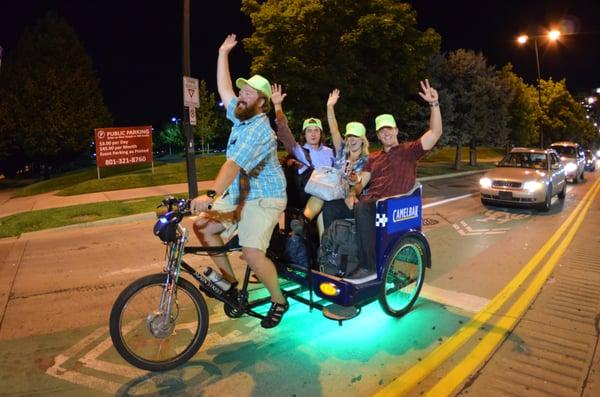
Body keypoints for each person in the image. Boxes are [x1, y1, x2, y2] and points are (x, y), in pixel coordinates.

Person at [190, 34, 288, 328]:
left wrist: (209, 195)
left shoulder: (261, 130)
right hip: (241, 195)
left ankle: (279, 300)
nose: (240, 95)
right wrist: (222, 53)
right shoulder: (241, 118)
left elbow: (232, 166)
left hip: (264, 198)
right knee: (203, 226)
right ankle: (230, 283)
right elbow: (223, 88)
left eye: (247, 92)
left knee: (251, 253)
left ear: (261, 102)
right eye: (241, 90)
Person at [322, 79, 442, 278]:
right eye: (381, 130)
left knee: (363, 207)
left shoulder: (409, 151)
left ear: (396, 130)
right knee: (331, 206)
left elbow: (435, 132)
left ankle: (369, 267)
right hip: (372, 205)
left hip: (393, 208)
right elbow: (361, 183)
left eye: (389, 129)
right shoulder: (373, 158)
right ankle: (334, 253)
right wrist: (353, 190)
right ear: (378, 135)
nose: (386, 133)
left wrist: (434, 104)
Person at [271, 84, 335, 210]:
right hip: (308, 195)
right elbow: (284, 130)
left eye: (316, 130)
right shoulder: (298, 150)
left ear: (321, 134)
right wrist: (277, 106)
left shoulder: (330, 152)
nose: (313, 134)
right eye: (309, 131)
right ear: (304, 135)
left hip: (329, 193)